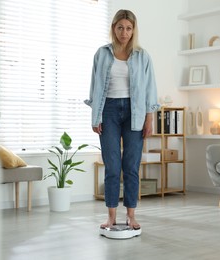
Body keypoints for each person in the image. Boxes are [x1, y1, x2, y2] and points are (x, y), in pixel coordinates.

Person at [84, 9, 159, 230]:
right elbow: (95, 87)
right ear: (113, 28)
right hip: (108, 111)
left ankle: (131, 215)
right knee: (112, 166)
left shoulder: (143, 56)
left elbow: (149, 89)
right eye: (120, 27)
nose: (124, 32)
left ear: (133, 29)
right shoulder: (102, 53)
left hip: (134, 112)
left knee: (131, 166)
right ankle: (110, 217)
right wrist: (95, 116)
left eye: (128, 28)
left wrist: (149, 118)